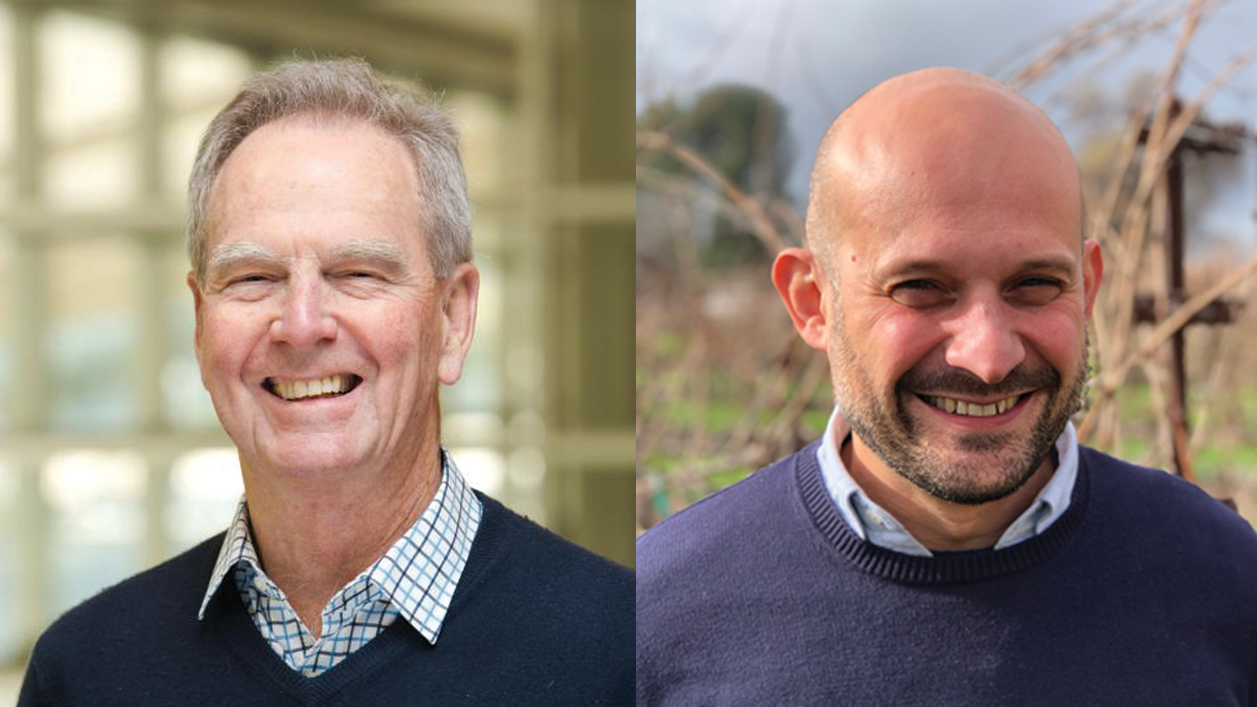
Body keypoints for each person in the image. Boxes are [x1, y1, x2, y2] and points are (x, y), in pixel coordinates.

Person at [19, 58, 632, 706]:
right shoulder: (85, 671)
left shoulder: (621, 652)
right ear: (200, 326)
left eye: (357, 272)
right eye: (253, 277)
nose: (301, 324)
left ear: (451, 318)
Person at [636, 67, 1257, 705]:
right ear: (812, 302)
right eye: (921, 288)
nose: (987, 357)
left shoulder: (1223, 580)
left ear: (1088, 289)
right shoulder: (655, 615)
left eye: (1035, 284)